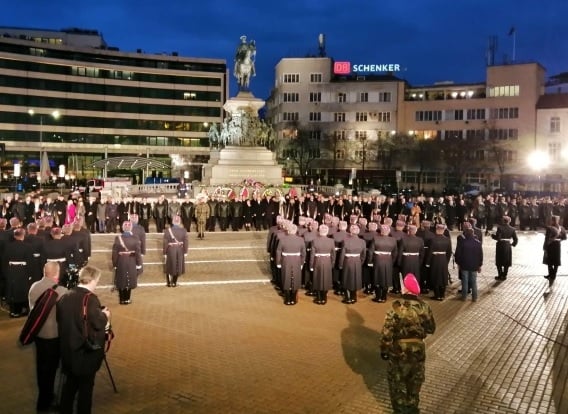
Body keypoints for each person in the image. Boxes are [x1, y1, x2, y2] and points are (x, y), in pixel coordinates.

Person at [56, 265, 110, 414]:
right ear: (92, 279)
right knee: (85, 390)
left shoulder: (65, 296)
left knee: (69, 386)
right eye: (97, 280)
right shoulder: (90, 299)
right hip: (85, 352)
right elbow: (98, 323)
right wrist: (105, 315)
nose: (97, 283)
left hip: (68, 350)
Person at [380, 273, 436, 414]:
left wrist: (384, 350)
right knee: (415, 380)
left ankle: (399, 410)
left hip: (399, 350)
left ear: (405, 288)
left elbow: (387, 332)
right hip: (418, 349)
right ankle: (412, 408)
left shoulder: (395, 307)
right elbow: (431, 328)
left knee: (397, 382)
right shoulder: (424, 307)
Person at [28, 261, 67, 412]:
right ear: (57, 273)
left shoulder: (34, 286)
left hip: (38, 333)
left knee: (41, 366)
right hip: (54, 335)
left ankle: (45, 396)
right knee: (51, 370)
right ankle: (46, 401)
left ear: (44, 271)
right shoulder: (61, 291)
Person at [112, 221, 142, 304]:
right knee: (129, 279)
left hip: (121, 261)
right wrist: (139, 264)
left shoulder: (118, 238)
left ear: (122, 228)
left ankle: (122, 299)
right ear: (131, 228)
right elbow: (138, 253)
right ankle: (127, 299)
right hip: (131, 260)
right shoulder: (135, 238)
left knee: (121, 279)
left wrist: (115, 264)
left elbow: (114, 253)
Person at [309, 224, 335, 305]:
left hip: (318, 261)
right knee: (326, 279)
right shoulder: (331, 241)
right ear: (327, 232)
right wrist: (332, 263)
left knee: (317, 279)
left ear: (319, 231)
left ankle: (319, 298)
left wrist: (311, 265)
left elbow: (312, 255)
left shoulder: (314, 241)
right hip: (327, 261)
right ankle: (324, 298)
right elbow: (333, 254)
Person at [455, 227, 483, 301]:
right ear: (473, 234)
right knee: (473, 281)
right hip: (474, 266)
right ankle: (474, 297)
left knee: (464, 281)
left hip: (464, 265)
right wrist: (480, 265)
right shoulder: (478, 243)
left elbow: (458, 254)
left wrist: (458, 262)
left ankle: (464, 297)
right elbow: (480, 255)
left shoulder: (462, 243)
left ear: (466, 234)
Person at [163, 215, 188, 287]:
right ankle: (174, 282)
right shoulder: (184, 230)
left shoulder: (168, 230)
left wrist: (164, 253)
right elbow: (186, 241)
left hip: (170, 249)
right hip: (180, 249)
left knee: (169, 265)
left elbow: (165, 243)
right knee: (178, 265)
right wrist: (185, 251)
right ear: (179, 222)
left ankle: (168, 283)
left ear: (172, 222)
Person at [491, 215, 518, 281]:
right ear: (509, 221)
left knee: (499, 261)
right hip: (508, 245)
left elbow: (498, 238)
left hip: (500, 245)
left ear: (503, 221)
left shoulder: (500, 228)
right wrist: (512, 244)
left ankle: (500, 275)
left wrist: (492, 235)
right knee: (507, 261)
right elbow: (516, 239)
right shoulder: (512, 229)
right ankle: (505, 275)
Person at [543, 215, 566, 287]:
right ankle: (553, 275)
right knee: (556, 260)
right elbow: (565, 238)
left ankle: (551, 274)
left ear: (552, 220)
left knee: (549, 260)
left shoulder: (549, 228)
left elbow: (547, 238)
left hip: (550, 245)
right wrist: (558, 240)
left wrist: (545, 246)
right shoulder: (562, 228)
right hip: (558, 245)